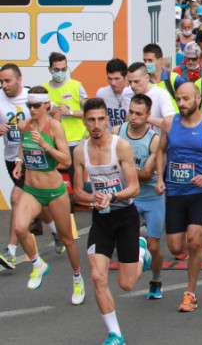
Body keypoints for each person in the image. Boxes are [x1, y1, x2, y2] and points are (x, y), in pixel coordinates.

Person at [72, 98, 150, 345]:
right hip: (101, 220)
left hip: (125, 217)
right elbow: (78, 193)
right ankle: (115, 334)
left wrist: (111, 195)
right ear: (85, 121)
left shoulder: (121, 147)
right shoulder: (79, 151)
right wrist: (91, 197)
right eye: (91, 120)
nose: (96, 125)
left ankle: (140, 252)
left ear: (108, 120)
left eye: (100, 119)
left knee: (126, 285)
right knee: (97, 277)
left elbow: (135, 187)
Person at [155, 82, 202, 312]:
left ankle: (190, 293)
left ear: (198, 99)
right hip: (175, 192)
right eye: (178, 99)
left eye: (186, 99)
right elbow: (161, 151)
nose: (182, 103)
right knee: (176, 248)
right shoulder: (169, 123)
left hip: (200, 191)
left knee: (193, 241)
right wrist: (160, 178)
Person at [12, 86, 84, 303]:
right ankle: (37, 264)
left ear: (46, 105)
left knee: (67, 239)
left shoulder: (54, 127)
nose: (32, 109)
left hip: (54, 191)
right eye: (28, 105)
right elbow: (23, 147)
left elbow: (67, 160)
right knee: (19, 227)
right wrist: (19, 162)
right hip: (31, 190)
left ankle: (78, 280)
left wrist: (45, 145)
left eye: (35, 105)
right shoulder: (24, 125)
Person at [113, 94, 165, 299]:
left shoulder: (154, 140)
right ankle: (139, 246)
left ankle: (156, 279)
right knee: (125, 243)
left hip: (151, 196)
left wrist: (122, 166)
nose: (133, 117)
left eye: (138, 114)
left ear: (148, 115)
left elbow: (145, 175)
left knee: (154, 246)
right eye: (131, 112)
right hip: (128, 198)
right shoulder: (118, 132)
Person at [0, 63, 28, 269]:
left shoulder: (32, 97)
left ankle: (10, 251)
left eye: (7, 81)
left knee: (16, 198)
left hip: (32, 159)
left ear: (19, 80)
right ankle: (56, 232)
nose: (4, 85)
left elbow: (53, 117)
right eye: (1, 81)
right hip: (10, 158)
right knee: (41, 207)